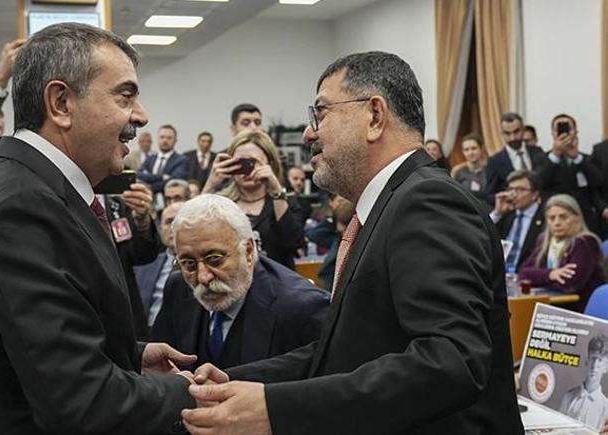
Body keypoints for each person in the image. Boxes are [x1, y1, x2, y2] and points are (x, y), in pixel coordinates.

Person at [183, 51, 522, 434]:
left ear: (375, 116)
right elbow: (343, 352)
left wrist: (275, 409)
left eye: (321, 113)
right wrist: (235, 382)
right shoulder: (386, 208)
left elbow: (450, 361)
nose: (309, 133)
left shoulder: (427, 201)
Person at [0, 23, 198, 434]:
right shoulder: (23, 207)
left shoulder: (14, 184)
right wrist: (188, 392)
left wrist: (129, 356)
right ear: (60, 103)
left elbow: (28, 343)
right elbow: (81, 402)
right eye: (125, 95)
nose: (141, 115)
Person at [151, 194, 329, 370]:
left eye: (214, 259)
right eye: (188, 263)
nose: (203, 277)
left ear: (249, 251)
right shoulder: (178, 288)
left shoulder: (303, 309)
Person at [203, 129, 302, 269]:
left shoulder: (285, 201)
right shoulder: (221, 204)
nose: (246, 169)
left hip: (276, 278)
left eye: (252, 162)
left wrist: (276, 189)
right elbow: (195, 235)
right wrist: (210, 185)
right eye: (239, 163)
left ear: (270, 164)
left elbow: (292, 244)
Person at [97, 182, 162, 340]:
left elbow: (142, 255)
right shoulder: (61, 200)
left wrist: (142, 222)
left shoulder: (118, 204)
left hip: (126, 316)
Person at [518, 194, 605, 312]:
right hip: (551, 307)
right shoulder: (544, 241)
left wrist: (537, 278)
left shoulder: (585, 243)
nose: (557, 223)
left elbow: (570, 284)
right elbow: (523, 273)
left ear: (577, 218)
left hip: (578, 310)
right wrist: (550, 274)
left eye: (563, 217)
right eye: (552, 218)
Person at [538, 113, 605, 238]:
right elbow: (539, 183)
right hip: (554, 219)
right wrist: (555, 154)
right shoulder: (542, 158)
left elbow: (598, 182)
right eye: (559, 129)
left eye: (569, 128)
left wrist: (577, 157)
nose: (564, 132)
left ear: (575, 132)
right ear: (553, 133)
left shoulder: (585, 159)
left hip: (584, 219)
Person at [134, 201, 184, 329]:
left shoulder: (204, 267)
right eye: (168, 222)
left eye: (179, 221)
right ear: (160, 229)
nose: (173, 228)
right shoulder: (144, 265)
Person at [483, 112, 547, 204]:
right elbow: (489, 195)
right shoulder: (494, 161)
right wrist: (506, 197)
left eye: (516, 132)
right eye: (507, 134)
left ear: (523, 130)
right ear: (502, 134)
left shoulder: (537, 152)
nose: (512, 137)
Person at [490, 170, 545, 272]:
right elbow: (482, 234)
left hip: (528, 274)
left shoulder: (546, 217)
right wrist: (497, 213)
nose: (514, 194)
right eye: (511, 189)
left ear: (535, 194)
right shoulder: (505, 214)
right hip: (499, 272)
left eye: (520, 189)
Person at [559, 335, 608, 430]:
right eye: (593, 358)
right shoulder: (569, 397)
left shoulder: (605, 407)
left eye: (600, 360)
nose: (595, 365)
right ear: (587, 361)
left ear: (606, 368)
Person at [137, 124, 190, 194]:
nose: (165, 140)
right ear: (157, 139)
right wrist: (161, 177)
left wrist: (150, 187)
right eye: (162, 137)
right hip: (147, 197)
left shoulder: (182, 160)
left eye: (169, 138)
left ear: (175, 141)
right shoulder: (150, 158)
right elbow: (139, 175)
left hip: (169, 198)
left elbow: (173, 182)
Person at [452, 133, 488, 202]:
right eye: (466, 150)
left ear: (481, 149)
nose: (470, 153)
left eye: (474, 148)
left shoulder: (490, 169)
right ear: (463, 152)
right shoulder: (457, 171)